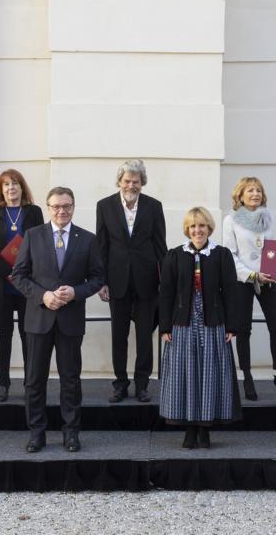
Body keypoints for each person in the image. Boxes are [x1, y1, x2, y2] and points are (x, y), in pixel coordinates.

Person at [10, 187, 104, 453]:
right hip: (39, 319)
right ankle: (36, 433)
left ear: (73, 207)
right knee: (34, 380)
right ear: (48, 208)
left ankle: (71, 433)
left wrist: (76, 292)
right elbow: (18, 276)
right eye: (56, 206)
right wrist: (43, 296)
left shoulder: (87, 239)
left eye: (67, 206)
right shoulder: (32, 235)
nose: (61, 211)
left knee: (70, 379)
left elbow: (97, 278)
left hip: (71, 320)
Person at [158, 207, 240, 448]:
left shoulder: (222, 255)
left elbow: (231, 292)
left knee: (209, 376)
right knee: (185, 375)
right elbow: (166, 294)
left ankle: (204, 430)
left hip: (212, 323)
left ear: (209, 228)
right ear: (187, 229)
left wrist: (232, 325)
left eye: (202, 226)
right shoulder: (174, 255)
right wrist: (165, 327)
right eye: (193, 226)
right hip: (182, 323)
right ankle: (189, 430)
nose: (197, 230)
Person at [95, 159, 167, 403]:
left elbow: (160, 246)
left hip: (147, 280)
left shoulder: (154, 206)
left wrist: (164, 281)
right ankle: (120, 384)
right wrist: (101, 281)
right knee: (119, 335)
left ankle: (142, 384)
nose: (131, 185)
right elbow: (101, 247)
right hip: (116, 280)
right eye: (127, 180)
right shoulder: (104, 206)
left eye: (136, 181)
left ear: (142, 183)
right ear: (120, 181)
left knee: (145, 335)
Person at [221, 176, 276, 400]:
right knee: (244, 331)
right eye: (250, 190)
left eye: (258, 190)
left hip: (268, 280)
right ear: (240, 195)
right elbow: (230, 255)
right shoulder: (231, 220)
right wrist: (252, 274)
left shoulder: (268, 218)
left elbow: (268, 250)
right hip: (244, 281)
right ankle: (247, 378)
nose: (255, 194)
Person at [0, 169, 43, 402]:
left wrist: (19, 273)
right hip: (1, 284)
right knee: (3, 335)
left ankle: (30, 383)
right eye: (6, 184)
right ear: (1, 189)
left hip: (27, 285)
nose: (11, 188)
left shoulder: (34, 212)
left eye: (15, 183)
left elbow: (39, 243)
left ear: (22, 187)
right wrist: (9, 272)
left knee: (28, 336)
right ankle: (3, 383)